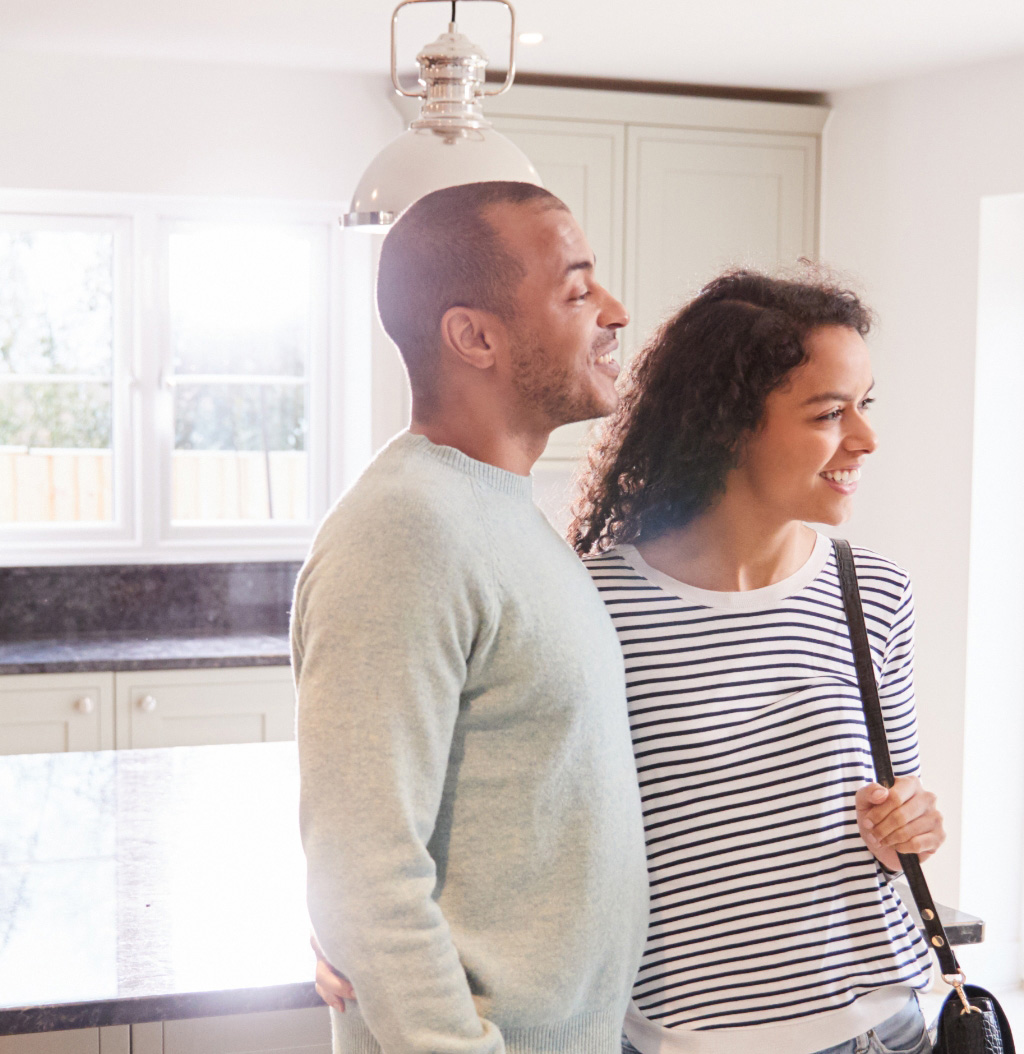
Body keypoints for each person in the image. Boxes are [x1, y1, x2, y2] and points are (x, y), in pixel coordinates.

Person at [311, 269, 945, 1054]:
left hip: (888, 1027)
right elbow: (459, 806)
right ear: (730, 425)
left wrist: (910, 823)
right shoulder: (592, 604)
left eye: (865, 405)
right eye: (827, 413)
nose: (865, 438)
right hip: (679, 1038)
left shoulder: (873, 591)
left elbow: (896, 812)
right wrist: (343, 922)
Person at [293, 181, 647, 1054]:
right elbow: (363, 868)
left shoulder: (499, 512)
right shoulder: (404, 530)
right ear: (474, 336)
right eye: (578, 289)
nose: (616, 311)